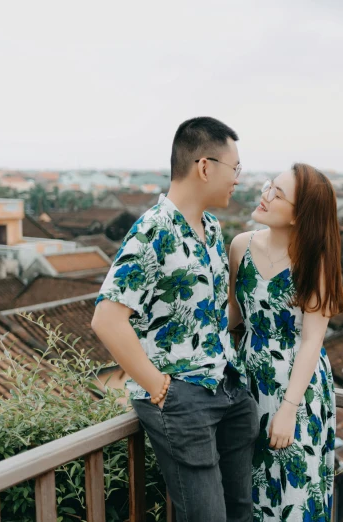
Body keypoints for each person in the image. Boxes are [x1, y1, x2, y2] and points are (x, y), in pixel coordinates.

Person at [92, 117, 259, 522]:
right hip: (184, 398)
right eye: (234, 168)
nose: (238, 179)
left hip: (228, 391)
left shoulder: (212, 228)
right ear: (205, 167)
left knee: (241, 513)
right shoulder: (153, 231)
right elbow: (107, 318)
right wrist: (159, 387)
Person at [228, 164, 343, 522]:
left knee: (295, 495)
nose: (265, 196)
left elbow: (312, 340)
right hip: (247, 384)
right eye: (269, 186)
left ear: (300, 216)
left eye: (277, 194)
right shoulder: (241, 246)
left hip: (297, 390)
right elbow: (233, 319)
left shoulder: (316, 262)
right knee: (248, 492)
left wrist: (288, 409)